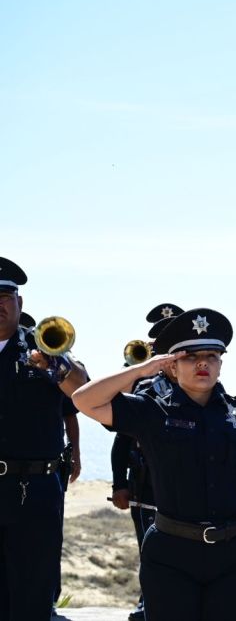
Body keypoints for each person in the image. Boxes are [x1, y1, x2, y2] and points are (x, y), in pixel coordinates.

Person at [73, 308, 236, 621]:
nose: (203, 363)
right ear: (172, 364)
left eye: (212, 355)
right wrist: (141, 370)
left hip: (234, 555)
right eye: (190, 356)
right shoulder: (151, 411)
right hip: (171, 555)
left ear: (221, 363)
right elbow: (84, 400)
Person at [0, 257, 88, 621]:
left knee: (33, 592)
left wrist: (56, 366)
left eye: (6, 296)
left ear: (20, 304)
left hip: (33, 490)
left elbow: (84, 392)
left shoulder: (45, 350)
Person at [111, 302, 180, 620]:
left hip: (181, 484)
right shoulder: (143, 387)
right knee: (148, 549)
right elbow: (120, 436)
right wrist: (120, 484)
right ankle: (147, 603)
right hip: (145, 484)